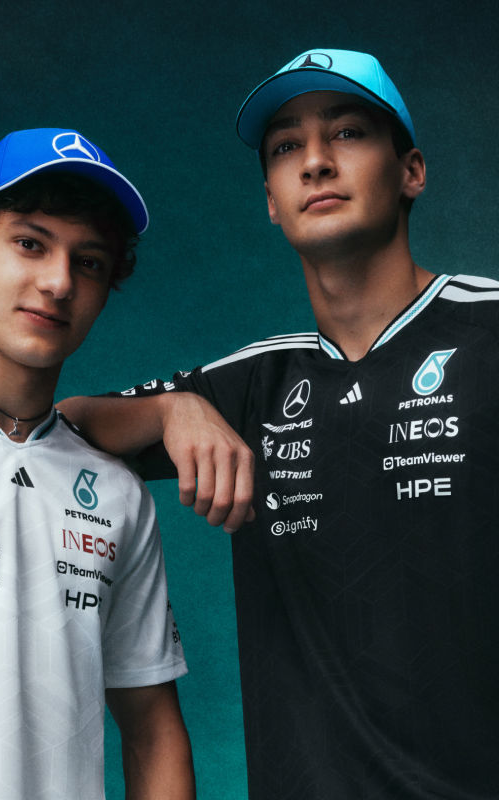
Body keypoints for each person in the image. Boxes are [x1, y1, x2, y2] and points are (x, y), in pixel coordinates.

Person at [59, 50, 499, 798]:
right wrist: (171, 408)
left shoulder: (486, 328)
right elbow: (62, 425)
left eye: (348, 132)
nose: (316, 162)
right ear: (270, 199)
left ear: (412, 171)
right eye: (287, 146)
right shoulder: (256, 384)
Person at [0, 128, 195, 800]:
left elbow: (152, 733)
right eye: (30, 244)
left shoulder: (116, 492)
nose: (59, 282)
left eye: (88, 262)